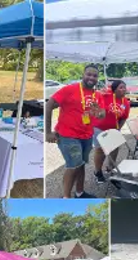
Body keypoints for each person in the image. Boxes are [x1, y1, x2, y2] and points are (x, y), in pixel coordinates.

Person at [50, 65, 106, 198]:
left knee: (81, 165)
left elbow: (102, 114)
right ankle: (66, 198)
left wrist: (99, 113)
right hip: (68, 136)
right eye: (89, 74)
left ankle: (80, 193)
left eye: (95, 75)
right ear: (83, 75)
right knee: (73, 166)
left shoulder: (97, 95)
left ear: (98, 78)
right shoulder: (70, 89)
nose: (91, 77)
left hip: (86, 136)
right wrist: (47, 132)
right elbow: (48, 105)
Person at [91, 79, 131, 183]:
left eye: (124, 87)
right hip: (99, 127)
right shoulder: (106, 96)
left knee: (114, 148)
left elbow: (124, 117)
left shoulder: (125, 102)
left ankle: (110, 167)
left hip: (113, 129)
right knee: (100, 150)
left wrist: (118, 129)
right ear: (114, 89)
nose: (124, 89)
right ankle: (97, 172)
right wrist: (101, 92)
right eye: (121, 87)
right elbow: (94, 97)